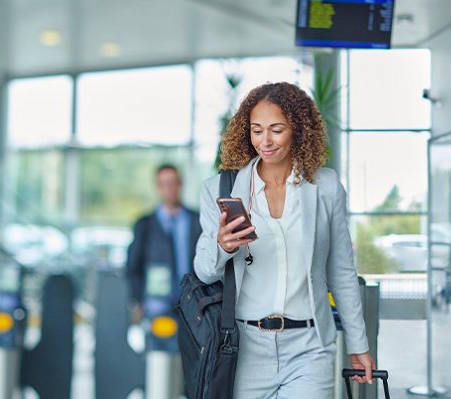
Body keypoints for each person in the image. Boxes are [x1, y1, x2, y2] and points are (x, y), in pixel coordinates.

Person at [193, 82, 375, 398]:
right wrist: (222, 246)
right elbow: (204, 272)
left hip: (309, 347)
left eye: (277, 129)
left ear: (298, 129)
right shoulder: (218, 189)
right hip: (245, 347)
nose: (266, 141)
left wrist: (358, 344)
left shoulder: (326, 187)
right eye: (257, 130)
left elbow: (341, 272)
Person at [127, 165, 201, 321]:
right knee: (157, 345)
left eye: (173, 182)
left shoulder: (197, 220)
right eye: (165, 184)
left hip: (192, 304)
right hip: (156, 305)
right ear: (158, 187)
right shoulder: (144, 225)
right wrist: (137, 300)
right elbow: (133, 265)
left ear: (180, 184)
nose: (170, 188)